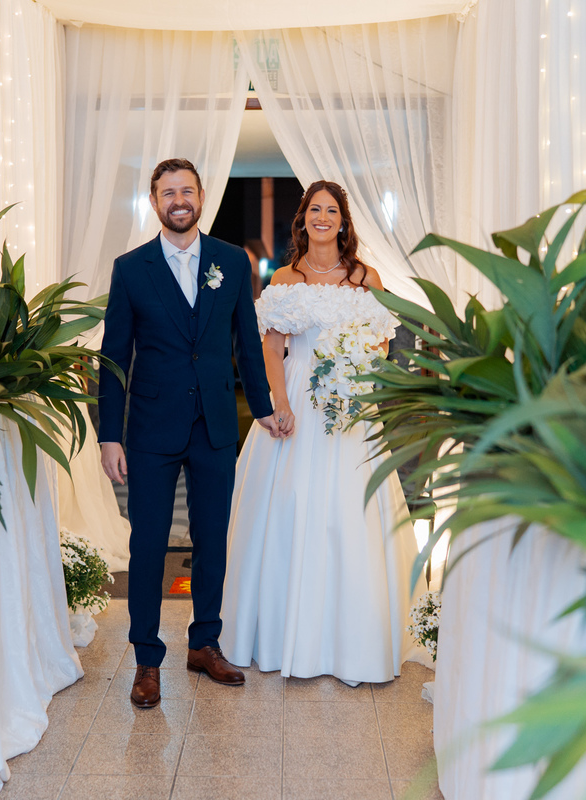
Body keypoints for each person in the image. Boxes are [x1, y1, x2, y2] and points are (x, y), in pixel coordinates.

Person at [218, 180, 425, 686]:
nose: (323, 218)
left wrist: (359, 374)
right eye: (315, 209)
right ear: (303, 218)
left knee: (350, 512)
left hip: (352, 407)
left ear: (344, 221)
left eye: (332, 210)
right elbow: (271, 347)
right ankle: (281, 630)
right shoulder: (285, 277)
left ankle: (355, 638)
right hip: (297, 402)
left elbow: (381, 341)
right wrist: (278, 402)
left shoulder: (365, 277)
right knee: (289, 504)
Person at [97, 158, 281, 709]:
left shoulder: (231, 260)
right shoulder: (131, 269)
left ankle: (204, 643)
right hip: (151, 429)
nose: (178, 200)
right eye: (167, 192)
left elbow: (247, 342)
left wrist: (266, 407)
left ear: (202, 196)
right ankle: (147, 661)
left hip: (216, 427)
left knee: (212, 542)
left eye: (186, 190)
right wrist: (110, 436)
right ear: (155, 203)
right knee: (149, 545)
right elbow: (114, 358)